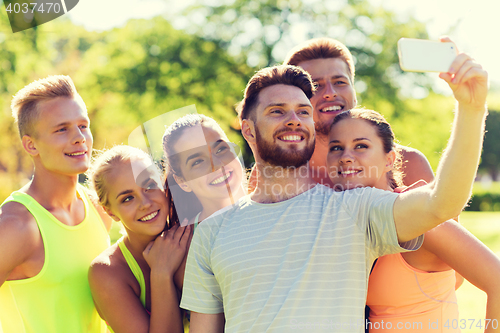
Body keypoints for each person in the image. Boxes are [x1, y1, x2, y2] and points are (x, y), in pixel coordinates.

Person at [180, 57, 488, 332]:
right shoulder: (212, 233)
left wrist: (471, 110)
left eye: (303, 112)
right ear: (248, 130)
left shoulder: (355, 209)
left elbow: (441, 204)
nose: (293, 120)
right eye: (277, 111)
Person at [327, 108, 500, 332]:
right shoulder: (348, 222)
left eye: (361, 145)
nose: (346, 157)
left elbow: (496, 280)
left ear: (389, 159)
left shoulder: (420, 219)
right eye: (336, 148)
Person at [0, 75, 112, 333]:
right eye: (62, 129)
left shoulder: (97, 208)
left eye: (83, 126)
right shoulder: (16, 226)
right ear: (31, 145)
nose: (79, 138)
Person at [283, 37, 435, 187]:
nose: (330, 93)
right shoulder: (279, 174)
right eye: (316, 85)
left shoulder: (409, 163)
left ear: (354, 94)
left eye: (340, 82)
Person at [87, 145, 191, 333]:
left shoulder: (189, 234)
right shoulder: (107, 272)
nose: (145, 203)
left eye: (150, 186)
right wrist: (161, 273)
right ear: (109, 211)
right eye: (127, 198)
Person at [162, 114, 246, 228]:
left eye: (221, 149)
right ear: (182, 182)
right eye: (197, 162)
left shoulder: (274, 204)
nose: (216, 165)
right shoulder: (187, 242)